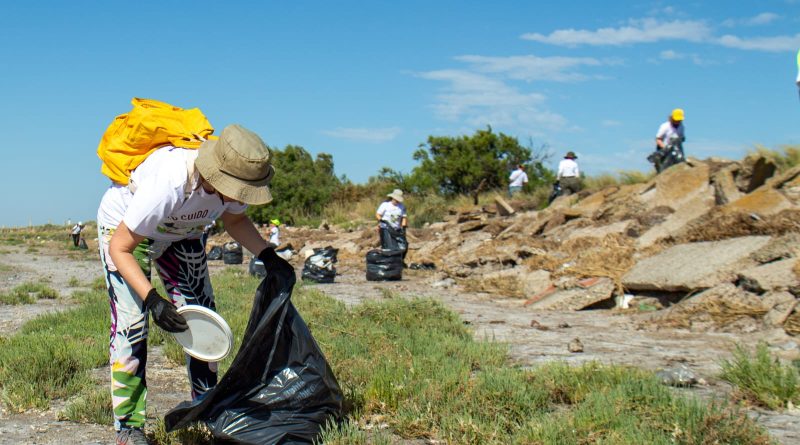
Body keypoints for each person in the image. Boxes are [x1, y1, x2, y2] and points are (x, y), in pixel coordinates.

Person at [96, 124, 276, 445]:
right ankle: (128, 427)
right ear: (217, 174)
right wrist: (152, 299)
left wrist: (269, 255)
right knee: (131, 327)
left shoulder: (235, 179)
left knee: (205, 319)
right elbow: (120, 248)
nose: (241, 197)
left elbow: (235, 220)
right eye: (238, 190)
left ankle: (206, 408)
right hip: (126, 234)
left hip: (181, 234)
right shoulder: (170, 182)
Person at [650, 108, 686, 172]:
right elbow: (658, 139)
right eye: (676, 120)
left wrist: (680, 140)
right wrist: (665, 148)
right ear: (672, 118)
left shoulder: (681, 127)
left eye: (679, 120)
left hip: (676, 150)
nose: (678, 121)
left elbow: (682, 138)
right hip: (664, 149)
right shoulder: (665, 126)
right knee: (663, 168)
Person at [376, 189, 408, 256]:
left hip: (396, 229)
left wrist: (404, 228)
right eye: (395, 199)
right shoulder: (385, 204)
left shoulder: (402, 207)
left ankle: (397, 259)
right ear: (393, 197)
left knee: (401, 246)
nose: (396, 201)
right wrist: (382, 221)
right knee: (389, 246)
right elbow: (378, 214)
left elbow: (404, 218)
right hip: (386, 228)